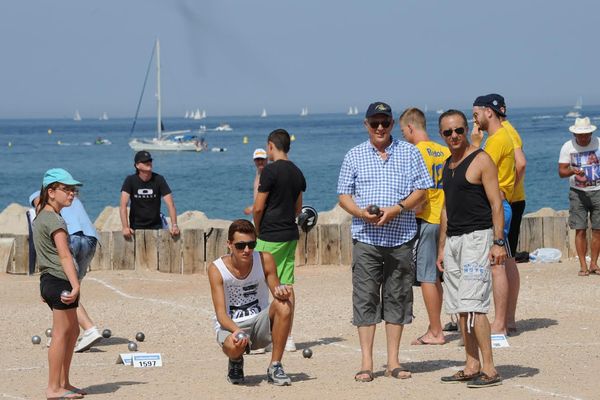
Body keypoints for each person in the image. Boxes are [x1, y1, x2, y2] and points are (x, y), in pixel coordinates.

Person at [337, 101, 432, 382]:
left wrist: (397, 209)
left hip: (400, 237)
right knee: (365, 297)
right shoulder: (354, 155)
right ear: (366, 125)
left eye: (385, 122)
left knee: (398, 297)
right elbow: (343, 195)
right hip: (366, 238)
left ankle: (393, 361)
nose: (380, 127)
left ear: (392, 124)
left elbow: (422, 190)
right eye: (374, 122)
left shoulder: (410, 152)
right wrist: (360, 213)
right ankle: (366, 362)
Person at [436, 110, 505, 388]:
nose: (453, 136)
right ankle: (471, 364)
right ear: (442, 135)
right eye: (447, 132)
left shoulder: (481, 160)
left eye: (458, 131)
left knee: (475, 307)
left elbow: (497, 203)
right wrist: (442, 247)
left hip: (477, 238)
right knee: (461, 308)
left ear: (467, 130)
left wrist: (498, 242)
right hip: (453, 242)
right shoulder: (447, 166)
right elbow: (446, 209)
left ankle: (490, 368)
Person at [208, 219, 293, 386]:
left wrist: (282, 292)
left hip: (259, 322)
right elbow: (220, 314)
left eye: (251, 244)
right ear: (229, 244)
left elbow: (276, 290)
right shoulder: (216, 269)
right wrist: (238, 331)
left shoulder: (265, 259)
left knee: (284, 305)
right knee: (234, 346)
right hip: (231, 325)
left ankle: (275, 366)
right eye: (240, 246)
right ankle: (236, 361)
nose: (247, 250)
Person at [32, 168, 87, 400]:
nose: (72, 194)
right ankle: (53, 388)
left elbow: (42, 253)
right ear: (51, 191)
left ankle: (64, 382)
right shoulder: (54, 219)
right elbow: (65, 256)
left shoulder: (41, 213)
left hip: (50, 280)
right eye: (66, 189)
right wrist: (76, 286)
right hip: (58, 279)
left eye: (73, 190)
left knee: (73, 330)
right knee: (61, 334)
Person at [399, 107, 450, 346]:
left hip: (427, 218)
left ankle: (436, 330)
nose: (402, 136)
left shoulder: (414, 151)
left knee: (427, 276)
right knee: (438, 276)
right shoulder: (444, 149)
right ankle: (437, 325)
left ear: (410, 127)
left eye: (402, 131)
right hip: (446, 217)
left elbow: (418, 193)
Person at [29, 191, 102, 353]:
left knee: (64, 288)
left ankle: (89, 329)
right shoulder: (67, 193)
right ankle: (59, 332)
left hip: (70, 237)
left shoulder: (39, 196)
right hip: (90, 238)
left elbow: (40, 212)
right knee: (69, 286)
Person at [253, 129, 306, 352]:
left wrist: (256, 230)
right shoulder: (297, 172)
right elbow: (298, 208)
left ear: (271, 146)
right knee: (285, 285)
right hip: (289, 234)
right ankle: (288, 337)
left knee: (261, 284)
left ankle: (263, 337)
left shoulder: (270, 171)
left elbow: (258, 206)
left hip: (269, 234)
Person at [472, 94, 517, 336]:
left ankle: (499, 324)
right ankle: (507, 321)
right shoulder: (505, 137)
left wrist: (474, 145)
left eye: (476, 114)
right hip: (503, 201)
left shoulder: (495, 141)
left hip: (496, 204)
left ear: (489, 112)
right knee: (505, 261)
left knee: (496, 264)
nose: (474, 120)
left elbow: (477, 171)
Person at [558, 117, 600, 276]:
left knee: (598, 229)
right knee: (580, 229)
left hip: (598, 190)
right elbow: (561, 171)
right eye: (580, 134)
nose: (583, 137)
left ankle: (594, 263)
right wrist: (572, 171)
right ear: (574, 134)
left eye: (586, 134)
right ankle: (583, 265)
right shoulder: (568, 147)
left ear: (591, 132)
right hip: (577, 192)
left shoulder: (599, 143)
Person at [120, 151, 179, 239]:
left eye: (150, 160)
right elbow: (123, 206)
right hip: (135, 227)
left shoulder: (159, 179)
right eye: (144, 161)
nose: (149, 163)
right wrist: (125, 227)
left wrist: (174, 225)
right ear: (137, 165)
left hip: (156, 227)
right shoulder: (130, 180)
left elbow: (170, 205)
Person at [243, 148, 268, 215]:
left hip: (266, 214)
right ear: (254, 161)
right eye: (257, 159)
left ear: (267, 160)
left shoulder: (268, 175)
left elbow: (269, 199)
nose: (260, 162)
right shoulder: (258, 172)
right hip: (259, 212)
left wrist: (252, 208)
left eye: (262, 159)